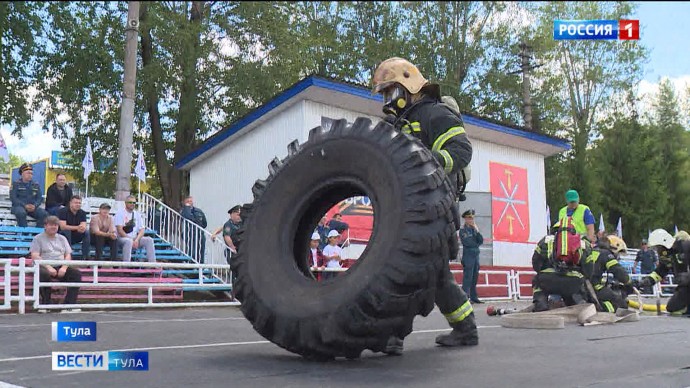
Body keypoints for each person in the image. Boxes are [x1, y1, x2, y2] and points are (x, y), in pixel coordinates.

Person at [372, 57, 476, 352]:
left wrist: (428, 163)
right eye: (383, 94)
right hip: (408, 208)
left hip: (434, 206)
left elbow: (461, 149)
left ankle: (394, 336)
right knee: (431, 272)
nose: (386, 99)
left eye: (390, 91)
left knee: (408, 269)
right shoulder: (397, 124)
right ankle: (464, 329)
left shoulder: (434, 113)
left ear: (408, 86)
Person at [30, 216, 82, 306]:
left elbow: (68, 254)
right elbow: (35, 255)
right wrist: (48, 267)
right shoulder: (37, 238)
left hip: (60, 265)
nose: (54, 227)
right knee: (43, 274)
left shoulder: (62, 238)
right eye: (51, 225)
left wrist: (64, 267)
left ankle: (69, 304)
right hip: (43, 265)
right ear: (45, 226)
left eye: (55, 225)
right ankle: (46, 304)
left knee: (76, 274)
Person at [530, 233, 588, 312]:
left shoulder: (546, 240)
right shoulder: (582, 243)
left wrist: (542, 272)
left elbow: (535, 261)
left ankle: (541, 305)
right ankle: (577, 305)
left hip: (548, 280)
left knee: (537, 281)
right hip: (573, 282)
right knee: (576, 287)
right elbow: (589, 268)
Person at [642, 229, 690, 315]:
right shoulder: (668, 256)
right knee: (672, 308)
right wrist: (649, 280)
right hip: (685, 288)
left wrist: (688, 276)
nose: (657, 250)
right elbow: (661, 271)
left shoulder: (685, 247)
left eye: (658, 247)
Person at [580, 235, 634, 313]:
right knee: (621, 304)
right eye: (618, 253)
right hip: (593, 288)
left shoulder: (592, 251)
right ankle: (601, 309)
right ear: (614, 248)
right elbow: (618, 271)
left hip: (583, 286)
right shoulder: (605, 254)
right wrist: (630, 282)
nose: (618, 256)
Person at [114, 196, 156, 263]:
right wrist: (131, 240)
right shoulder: (120, 213)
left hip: (134, 238)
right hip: (122, 238)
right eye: (130, 202)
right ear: (125, 203)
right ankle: (126, 265)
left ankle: (153, 264)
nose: (132, 204)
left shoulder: (137, 214)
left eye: (134, 202)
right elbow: (120, 230)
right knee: (128, 241)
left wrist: (136, 240)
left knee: (149, 240)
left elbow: (142, 229)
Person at [10, 163, 48, 227]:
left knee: (44, 214)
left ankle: (36, 234)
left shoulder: (35, 185)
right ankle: (25, 234)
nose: (30, 175)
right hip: (18, 207)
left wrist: (35, 206)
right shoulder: (15, 184)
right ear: (22, 173)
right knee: (21, 213)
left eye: (31, 173)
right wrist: (25, 205)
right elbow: (13, 198)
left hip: (32, 208)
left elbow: (39, 198)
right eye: (28, 173)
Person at [459, 209, 484, 304]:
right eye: (469, 218)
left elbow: (480, 241)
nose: (471, 220)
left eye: (472, 218)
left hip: (476, 255)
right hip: (468, 256)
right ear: (465, 219)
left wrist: (477, 232)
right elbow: (468, 242)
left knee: (474, 277)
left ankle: (474, 297)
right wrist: (476, 243)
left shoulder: (474, 229)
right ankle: (465, 297)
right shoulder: (463, 230)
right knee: (467, 278)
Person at [57, 195, 91, 260]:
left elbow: (83, 225)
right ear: (70, 203)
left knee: (86, 232)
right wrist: (77, 227)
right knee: (67, 231)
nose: (78, 204)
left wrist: (82, 228)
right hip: (62, 236)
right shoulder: (63, 211)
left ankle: (85, 256)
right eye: (76, 203)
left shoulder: (82, 213)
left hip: (75, 235)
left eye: (79, 203)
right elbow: (63, 227)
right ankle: (69, 255)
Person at [180, 196, 208, 263]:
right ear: (185, 203)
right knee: (192, 251)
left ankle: (201, 266)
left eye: (191, 201)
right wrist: (187, 207)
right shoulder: (184, 211)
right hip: (190, 235)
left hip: (200, 234)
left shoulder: (199, 211)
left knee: (201, 251)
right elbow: (187, 217)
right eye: (188, 201)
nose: (190, 203)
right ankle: (191, 266)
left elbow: (204, 223)